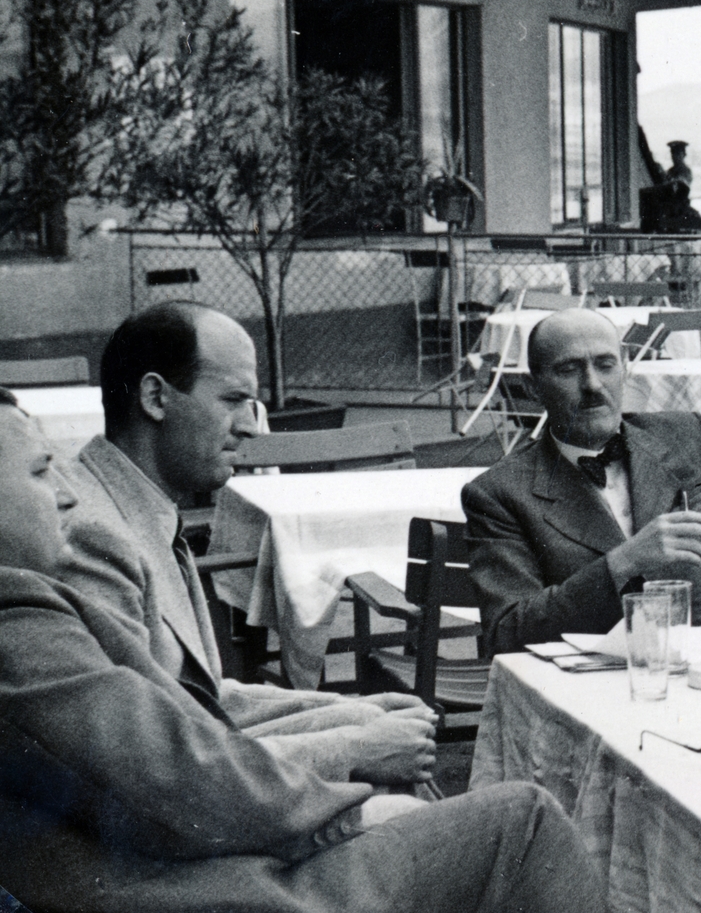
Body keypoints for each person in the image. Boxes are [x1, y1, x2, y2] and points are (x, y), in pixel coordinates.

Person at [0, 387, 631, 913]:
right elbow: (179, 772)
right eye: (38, 471)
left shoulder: (40, 599)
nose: (66, 492)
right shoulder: (18, 618)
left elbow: (177, 728)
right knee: (524, 821)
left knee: (471, 829)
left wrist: (350, 733)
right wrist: (345, 807)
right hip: (179, 908)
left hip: (160, 884)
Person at [49, 302, 437, 786]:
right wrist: (353, 746)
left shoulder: (136, 505)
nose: (251, 426)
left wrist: (348, 708)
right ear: (155, 397)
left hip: (198, 770)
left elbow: (201, 696)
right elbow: (147, 759)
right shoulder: (92, 536)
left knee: (383, 730)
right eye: (233, 399)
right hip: (175, 802)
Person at [464, 308, 701, 649]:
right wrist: (621, 563)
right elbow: (507, 630)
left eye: (605, 364)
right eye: (568, 369)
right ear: (533, 388)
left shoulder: (685, 437)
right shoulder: (499, 493)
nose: (592, 384)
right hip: (593, 678)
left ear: (625, 369)